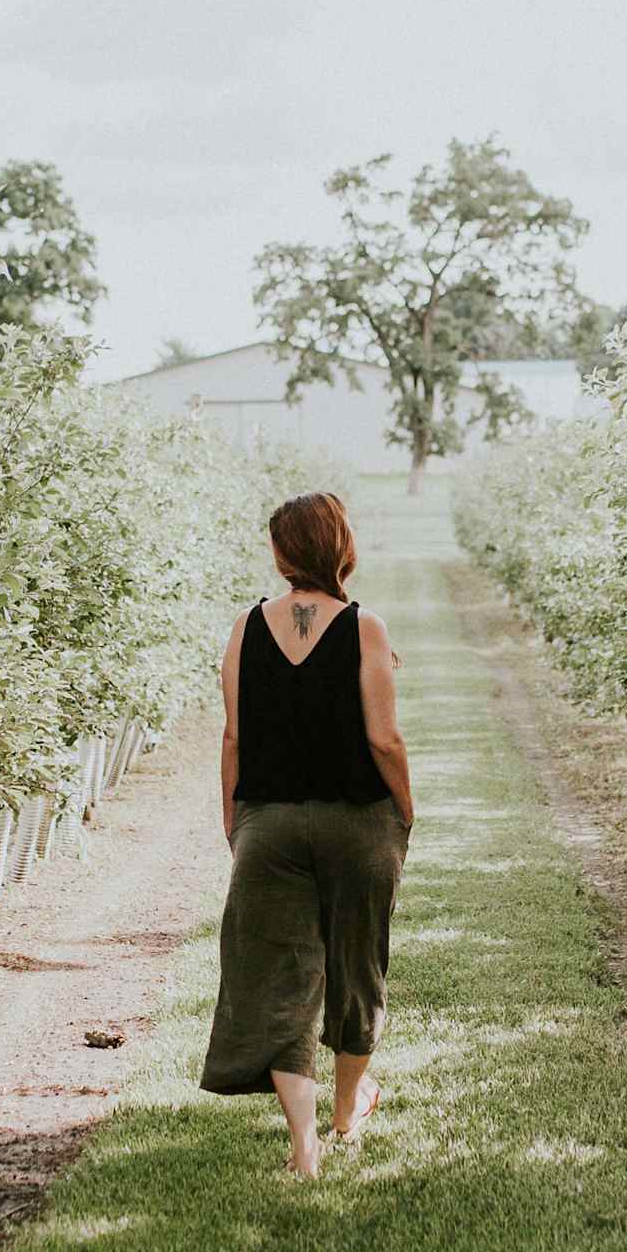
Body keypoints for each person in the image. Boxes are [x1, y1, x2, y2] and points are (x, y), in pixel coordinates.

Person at [199, 492, 417, 1174]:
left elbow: (234, 733)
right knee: (358, 969)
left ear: (283, 553)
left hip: (269, 825)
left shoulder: (245, 627)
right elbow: (384, 737)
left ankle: (304, 1146)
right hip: (357, 824)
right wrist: (405, 809)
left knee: (278, 980)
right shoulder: (365, 628)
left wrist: (238, 820)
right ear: (341, 546)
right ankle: (347, 1111)